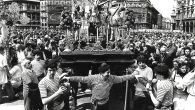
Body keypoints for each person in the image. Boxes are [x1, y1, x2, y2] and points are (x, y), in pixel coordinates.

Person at [60, 62, 138, 110]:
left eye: (109, 72)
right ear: (101, 73)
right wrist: (69, 78)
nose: (109, 74)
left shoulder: (112, 78)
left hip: (106, 103)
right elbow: (81, 78)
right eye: (107, 72)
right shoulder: (94, 78)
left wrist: (132, 75)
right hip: (95, 104)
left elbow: (122, 78)